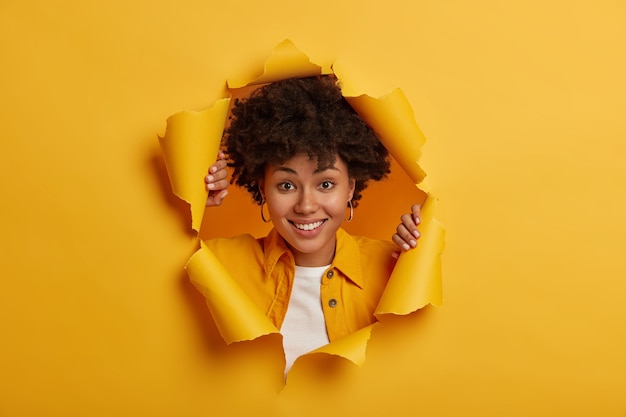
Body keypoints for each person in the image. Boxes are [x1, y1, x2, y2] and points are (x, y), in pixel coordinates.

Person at [203, 75, 421, 374]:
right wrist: (186, 207)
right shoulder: (217, 264)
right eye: (287, 186)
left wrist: (422, 263)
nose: (306, 206)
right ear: (263, 188)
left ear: (350, 188)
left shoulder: (395, 271)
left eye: (326, 183)